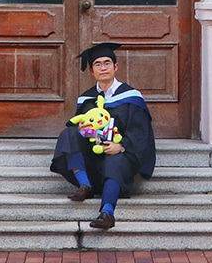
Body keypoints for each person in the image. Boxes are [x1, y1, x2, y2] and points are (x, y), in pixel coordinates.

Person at [50, 43, 156, 230]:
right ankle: (85, 186)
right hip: (93, 157)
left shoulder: (131, 96)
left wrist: (121, 145)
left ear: (116, 67)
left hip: (120, 156)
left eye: (107, 63)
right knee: (69, 133)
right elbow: (81, 131)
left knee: (114, 159)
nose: (103, 67)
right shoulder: (86, 99)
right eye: (98, 64)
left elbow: (141, 133)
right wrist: (83, 130)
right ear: (92, 70)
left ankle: (107, 213)